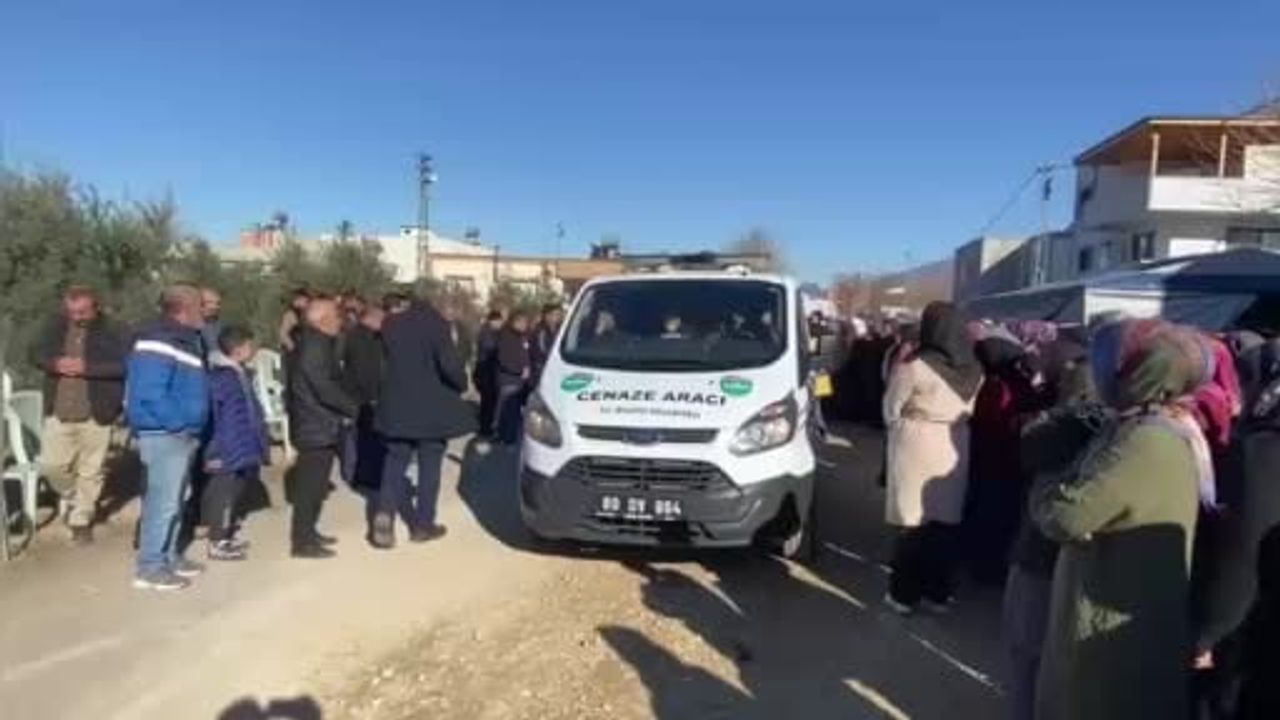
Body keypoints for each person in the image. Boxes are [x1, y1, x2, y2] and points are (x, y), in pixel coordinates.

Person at [1030, 319, 1208, 720]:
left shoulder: (1146, 439)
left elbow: (1065, 515)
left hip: (1112, 609)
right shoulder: (1145, 424)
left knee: (1096, 700)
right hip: (1119, 596)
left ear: (1142, 374)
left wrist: (1044, 484)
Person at [1002, 337, 1100, 720]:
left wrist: (1054, 415)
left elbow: (1032, 452)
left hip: (1042, 552)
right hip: (1078, 558)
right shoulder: (1132, 430)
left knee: (1027, 648)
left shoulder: (1072, 425)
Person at [882, 301, 982, 615]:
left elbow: (891, 409)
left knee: (914, 523)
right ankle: (938, 593)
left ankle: (904, 595)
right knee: (944, 524)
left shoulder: (914, 365)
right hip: (955, 442)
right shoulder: (975, 370)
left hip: (917, 442)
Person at [373, 294, 474, 549]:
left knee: (395, 461)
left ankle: (384, 513)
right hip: (431, 410)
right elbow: (449, 365)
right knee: (430, 466)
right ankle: (423, 525)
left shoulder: (391, 323)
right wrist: (462, 383)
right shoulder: (436, 326)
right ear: (441, 308)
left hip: (396, 406)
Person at [126, 284, 210, 591]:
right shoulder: (157, 341)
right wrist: (178, 425)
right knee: (163, 501)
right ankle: (150, 566)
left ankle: (170, 556)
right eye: (201, 304)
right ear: (183, 308)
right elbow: (149, 392)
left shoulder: (186, 341)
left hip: (180, 432)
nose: (206, 309)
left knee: (177, 499)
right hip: (164, 433)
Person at [32, 286, 127, 544]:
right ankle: (74, 498)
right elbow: (36, 354)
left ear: (96, 307)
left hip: (97, 410)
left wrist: (88, 368)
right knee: (52, 465)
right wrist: (54, 364)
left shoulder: (115, 330)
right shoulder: (55, 326)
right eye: (72, 311)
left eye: (82, 311)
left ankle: (81, 519)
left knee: (91, 470)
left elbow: (125, 365)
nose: (77, 317)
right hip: (59, 409)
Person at [964, 335, 1046, 584]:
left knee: (987, 513)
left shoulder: (994, 383)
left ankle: (982, 567)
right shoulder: (1017, 382)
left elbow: (988, 420)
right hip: (1008, 461)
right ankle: (989, 568)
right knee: (999, 517)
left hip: (991, 459)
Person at [287, 298, 358, 559]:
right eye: (336, 315)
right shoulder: (314, 345)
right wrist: (352, 408)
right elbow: (323, 387)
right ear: (321, 320)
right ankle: (302, 542)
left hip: (320, 424)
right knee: (309, 489)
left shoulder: (318, 343)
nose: (340, 320)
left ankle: (309, 533)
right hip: (314, 425)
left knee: (316, 487)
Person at [201, 326, 270, 561]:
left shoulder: (238, 373)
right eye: (250, 345)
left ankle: (223, 535)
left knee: (233, 490)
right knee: (222, 494)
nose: (254, 350)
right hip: (226, 446)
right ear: (239, 350)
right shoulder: (222, 378)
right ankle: (216, 541)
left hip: (239, 443)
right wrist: (215, 449)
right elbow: (216, 416)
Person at [341, 305, 386, 489]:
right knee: (359, 439)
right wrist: (373, 394)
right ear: (371, 318)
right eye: (382, 320)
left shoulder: (361, 336)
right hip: (363, 396)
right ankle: (359, 476)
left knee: (364, 439)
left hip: (363, 395)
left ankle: (363, 475)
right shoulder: (359, 338)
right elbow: (363, 370)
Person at [495, 312, 532, 446]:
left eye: (526, 323)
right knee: (507, 410)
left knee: (515, 411)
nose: (525, 325)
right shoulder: (506, 337)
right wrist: (520, 370)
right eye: (522, 322)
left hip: (520, 381)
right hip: (509, 379)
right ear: (515, 322)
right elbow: (504, 359)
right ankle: (504, 437)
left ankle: (509, 437)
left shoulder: (523, 337)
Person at [473, 309, 505, 439]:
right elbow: (490, 348)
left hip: (490, 372)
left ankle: (487, 426)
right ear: (492, 321)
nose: (499, 324)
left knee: (490, 401)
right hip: (486, 372)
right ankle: (485, 429)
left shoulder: (494, 332)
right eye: (498, 321)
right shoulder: (486, 333)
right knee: (488, 402)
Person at [529, 303, 564, 378]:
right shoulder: (540, 331)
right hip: (541, 368)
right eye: (555, 314)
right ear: (547, 316)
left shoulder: (561, 329)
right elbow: (543, 350)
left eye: (559, 314)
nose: (558, 317)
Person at [278, 288, 311, 354]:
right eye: (306, 301)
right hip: (288, 350)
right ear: (298, 299)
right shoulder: (290, 314)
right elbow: (282, 333)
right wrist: (293, 348)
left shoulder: (297, 313)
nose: (307, 304)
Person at [199, 287, 223, 353]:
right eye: (209, 302)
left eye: (218, 303)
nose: (215, 307)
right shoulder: (187, 327)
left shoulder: (223, 328)